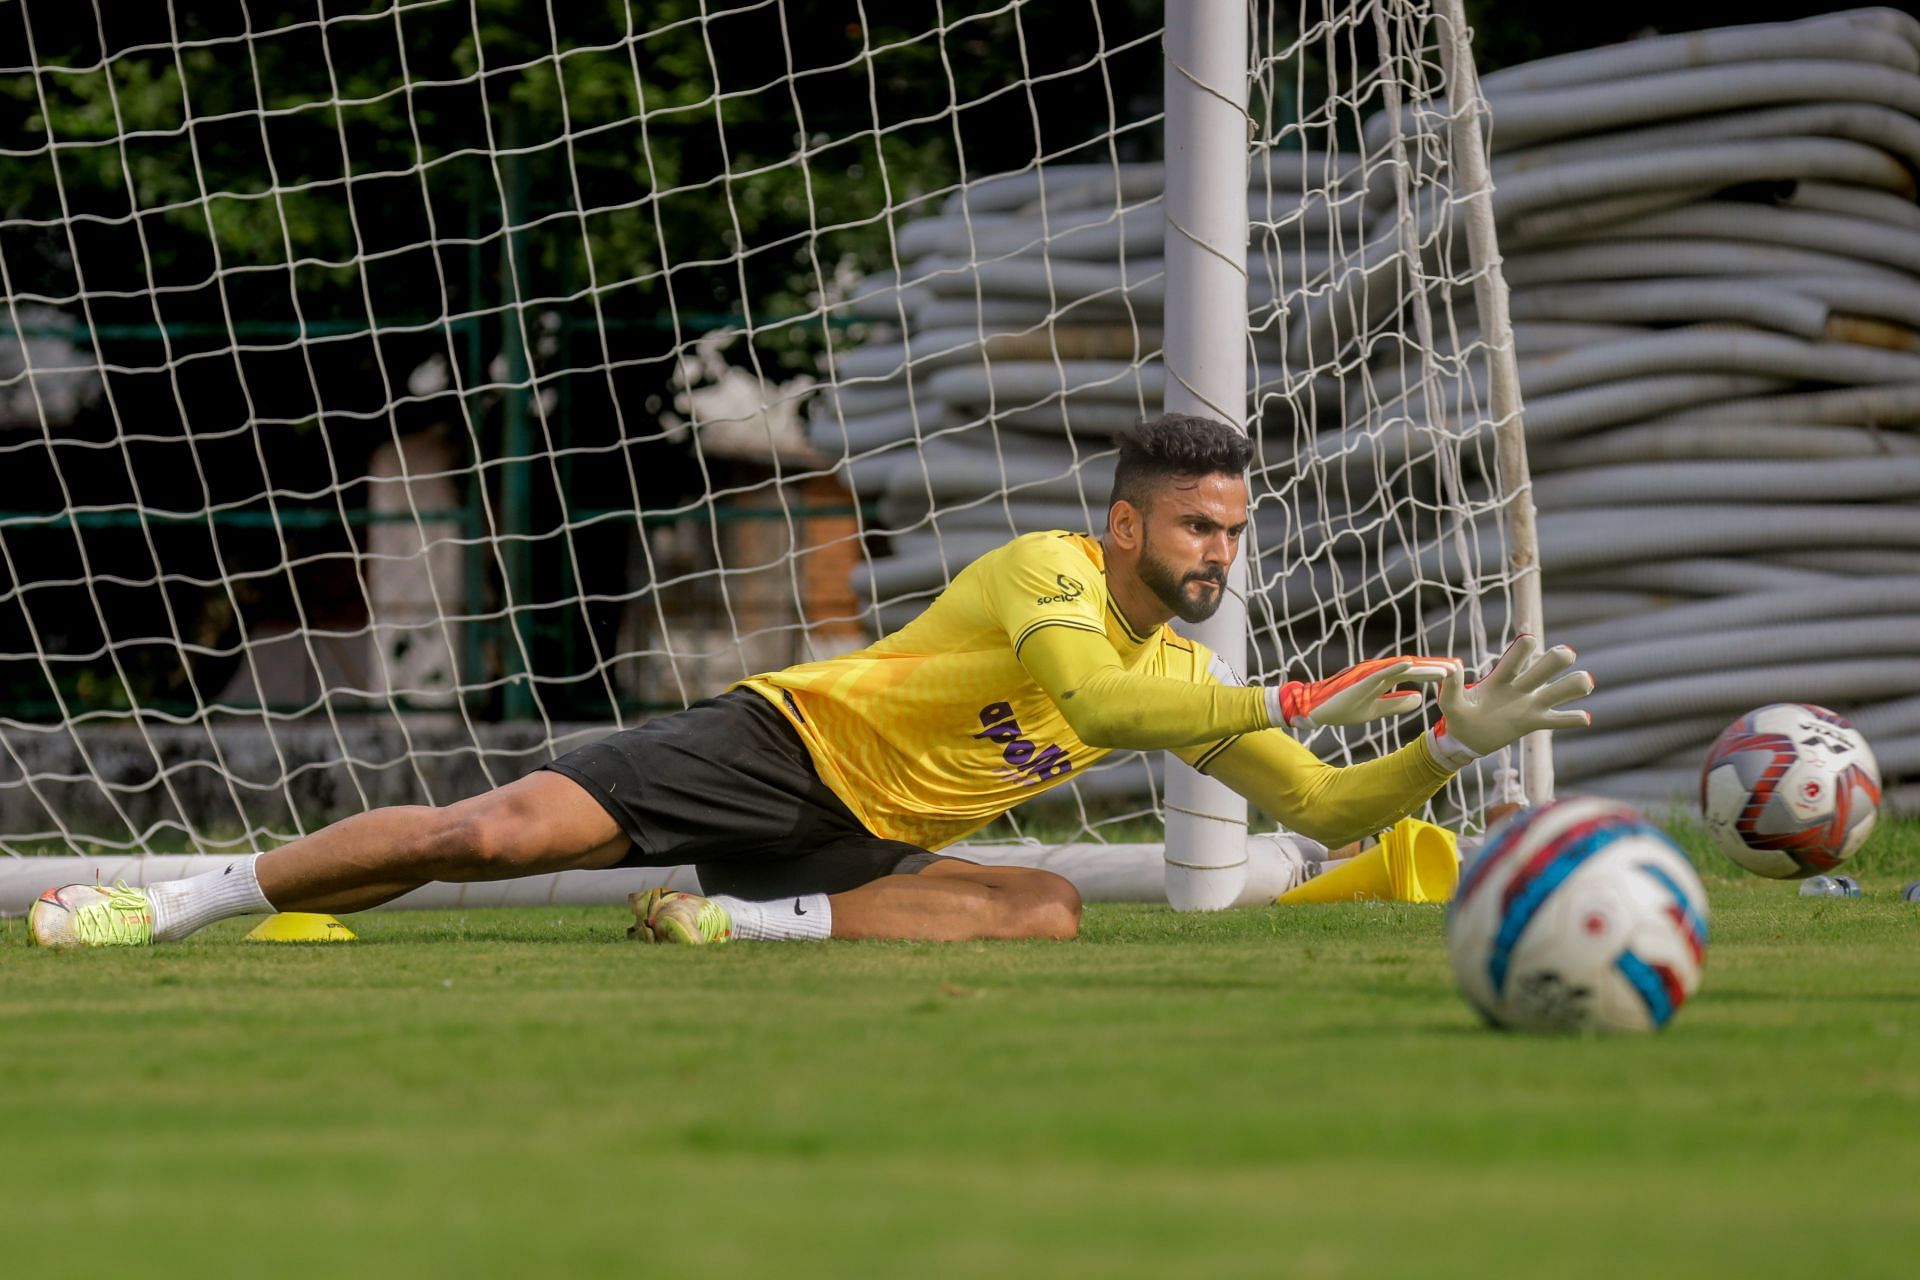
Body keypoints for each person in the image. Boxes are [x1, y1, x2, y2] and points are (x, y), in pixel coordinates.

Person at [28, 414, 1592, 949]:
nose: (1217, 553)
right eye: (1196, 525)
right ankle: (180, 898)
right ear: (1127, 522)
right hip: (780, 750)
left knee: (1043, 912)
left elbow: (1319, 804)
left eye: (1233, 531)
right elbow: (1110, 720)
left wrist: (1447, 746)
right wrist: (1312, 692)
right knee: (488, 835)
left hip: (856, 850)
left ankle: (736, 925)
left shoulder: (1192, 663)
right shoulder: (1050, 575)